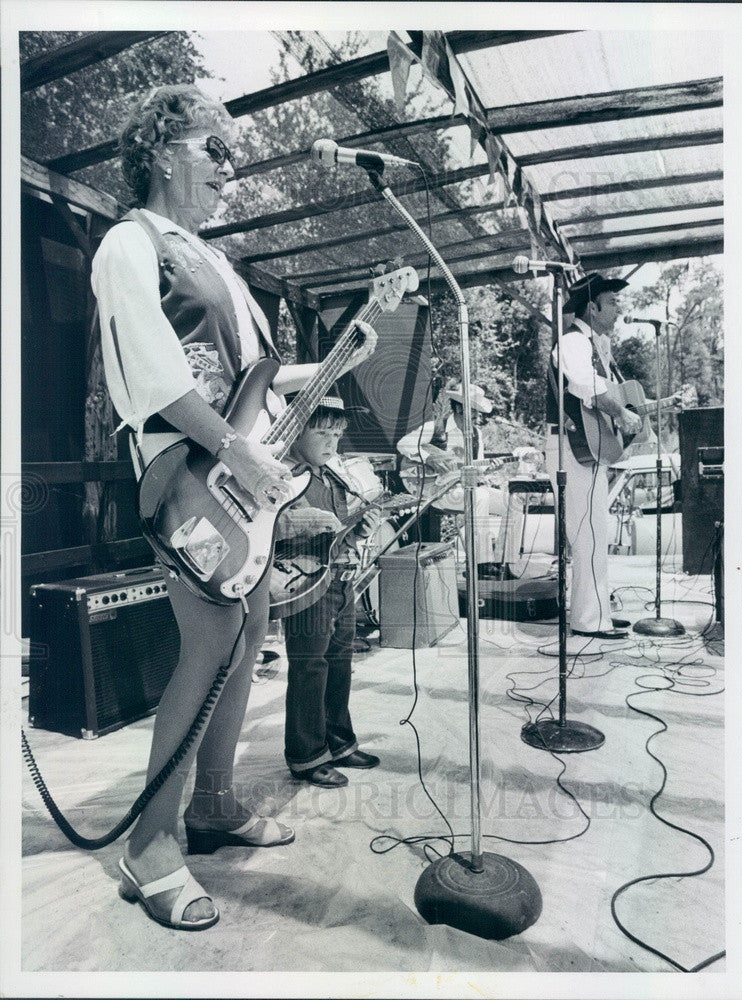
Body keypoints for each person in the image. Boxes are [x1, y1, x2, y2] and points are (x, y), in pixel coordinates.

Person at [91, 85, 377, 930]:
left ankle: (212, 807)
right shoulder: (129, 242)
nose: (230, 171)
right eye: (216, 151)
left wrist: (350, 342)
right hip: (188, 471)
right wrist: (233, 448)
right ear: (163, 147)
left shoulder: (214, 261)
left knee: (250, 635)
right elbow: (149, 368)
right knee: (209, 644)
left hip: (238, 475)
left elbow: (263, 373)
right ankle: (148, 848)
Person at [275, 396, 381, 788]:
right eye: (322, 432)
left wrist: (361, 528)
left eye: (337, 433)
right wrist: (294, 525)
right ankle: (305, 756)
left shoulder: (332, 476)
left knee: (339, 660)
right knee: (309, 666)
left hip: (339, 578)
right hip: (302, 582)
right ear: (295, 431)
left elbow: (340, 533)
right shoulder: (281, 476)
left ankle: (339, 742)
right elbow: (265, 533)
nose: (332, 442)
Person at [544, 272, 642, 640]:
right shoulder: (572, 341)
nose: (619, 309)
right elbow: (583, 385)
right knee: (587, 532)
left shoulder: (592, 344)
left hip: (583, 447)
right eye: (613, 302)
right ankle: (587, 619)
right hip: (570, 445)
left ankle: (596, 610)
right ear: (592, 306)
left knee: (596, 532)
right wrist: (621, 413)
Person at [396, 382, 507, 576]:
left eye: (477, 411)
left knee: (511, 502)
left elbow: (476, 468)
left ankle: (503, 561)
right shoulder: (436, 427)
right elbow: (403, 445)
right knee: (479, 496)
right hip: (435, 489)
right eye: (472, 410)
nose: (476, 416)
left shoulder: (476, 434)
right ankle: (479, 565)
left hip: (462, 487)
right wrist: (429, 458)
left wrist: (488, 469)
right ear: (458, 407)